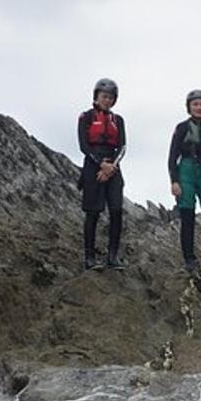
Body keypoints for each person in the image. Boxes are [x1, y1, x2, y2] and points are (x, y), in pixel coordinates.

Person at [168, 89, 201, 275]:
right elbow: (172, 156)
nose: (199, 107)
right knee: (187, 215)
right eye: (195, 104)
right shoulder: (182, 128)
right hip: (186, 171)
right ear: (189, 107)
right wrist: (174, 181)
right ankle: (189, 258)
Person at [76, 77, 127, 270]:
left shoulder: (118, 120)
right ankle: (89, 257)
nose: (107, 100)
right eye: (104, 96)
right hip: (92, 164)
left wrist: (111, 167)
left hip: (113, 165)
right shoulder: (85, 117)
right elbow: (83, 145)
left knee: (116, 210)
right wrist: (100, 165)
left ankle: (112, 256)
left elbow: (122, 147)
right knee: (93, 212)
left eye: (111, 97)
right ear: (96, 97)